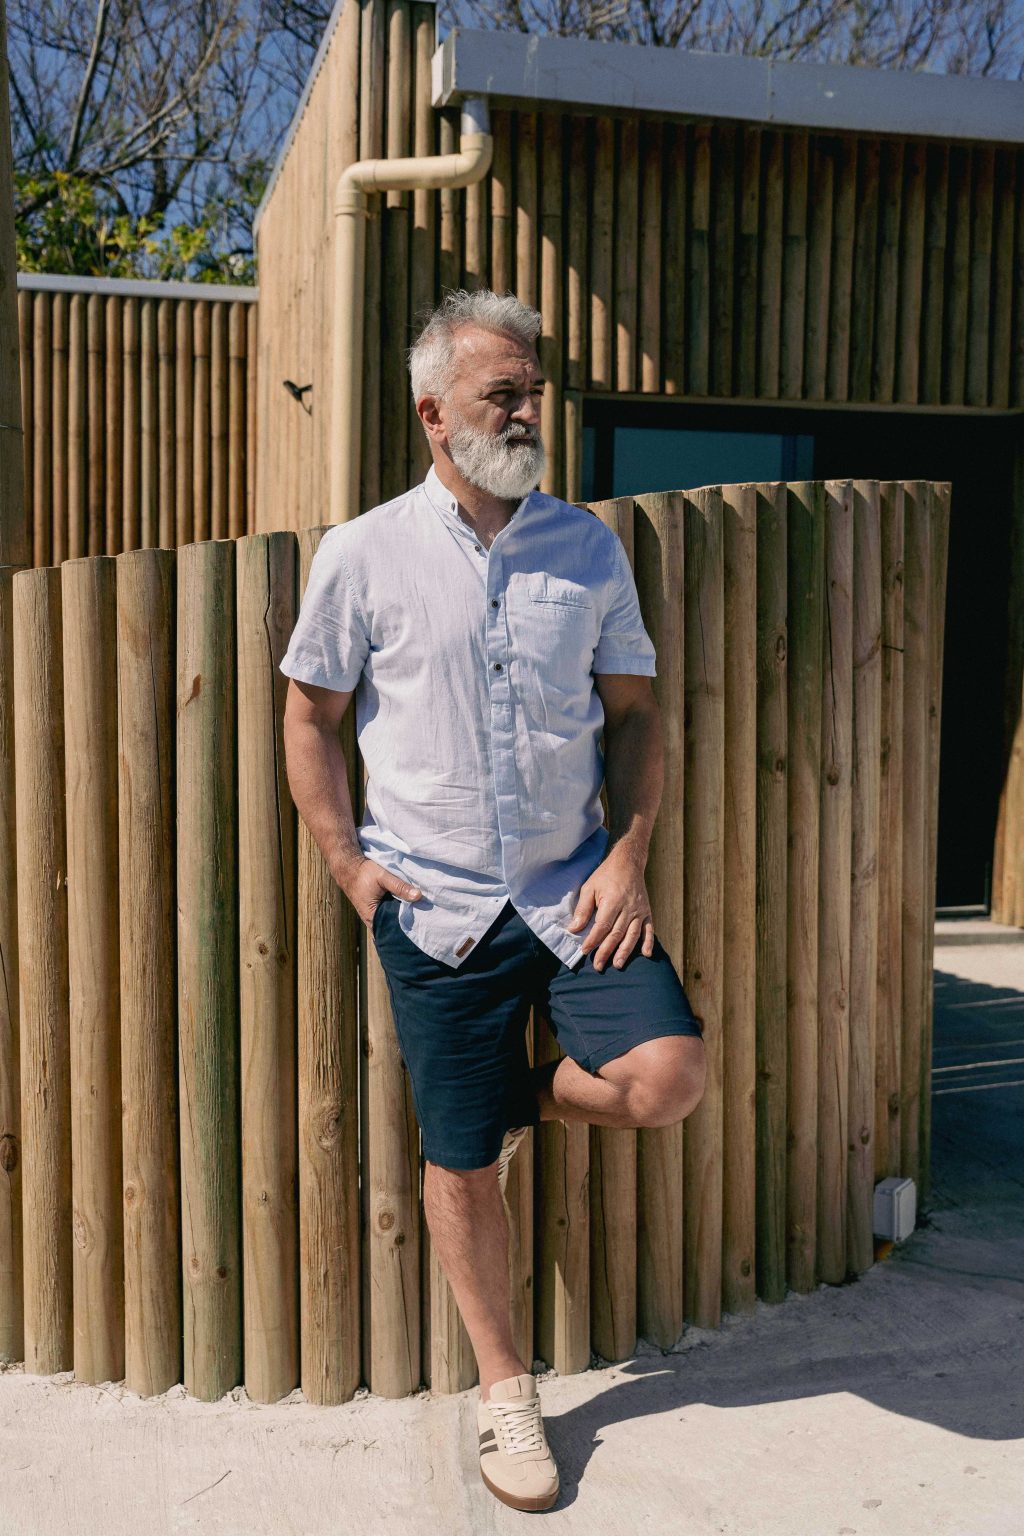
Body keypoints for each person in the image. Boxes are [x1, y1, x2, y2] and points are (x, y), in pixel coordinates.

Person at [279, 288, 706, 1513]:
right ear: (434, 413)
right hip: (437, 909)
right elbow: (308, 719)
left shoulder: (586, 547)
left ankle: (512, 1100)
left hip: (576, 892)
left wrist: (627, 856)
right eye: (500, 394)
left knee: (668, 1079)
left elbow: (635, 716)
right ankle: (506, 1391)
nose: (526, 413)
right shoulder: (363, 553)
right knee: (462, 1168)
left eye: (533, 392)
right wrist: (348, 867)